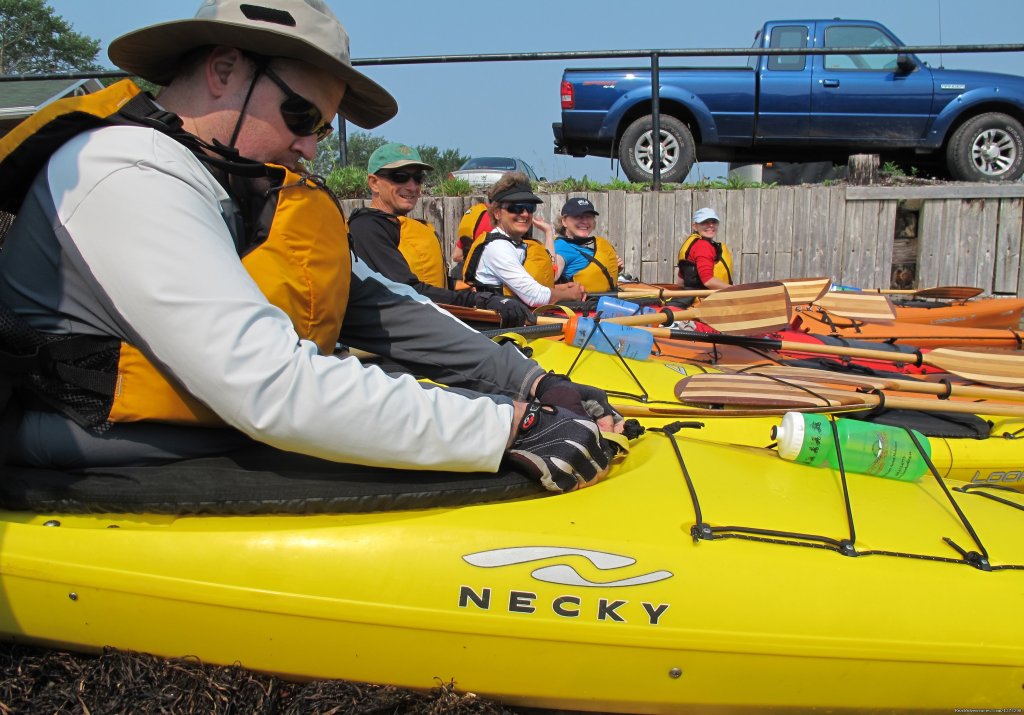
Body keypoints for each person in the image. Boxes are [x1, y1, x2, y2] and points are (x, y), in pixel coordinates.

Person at [0, 0, 619, 493]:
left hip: (212, 423)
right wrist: (505, 426)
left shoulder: (233, 180)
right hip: (82, 438)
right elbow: (265, 386)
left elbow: (375, 303)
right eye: (301, 118)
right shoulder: (125, 170)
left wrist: (528, 384)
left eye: (321, 128)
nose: (310, 149)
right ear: (223, 71)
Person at [348, 142, 532, 327]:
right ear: (374, 183)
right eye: (400, 177)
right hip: (397, 332)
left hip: (430, 323)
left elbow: (436, 283)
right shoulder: (367, 227)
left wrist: (478, 292)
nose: (412, 186)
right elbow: (407, 289)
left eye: (418, 178)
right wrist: (479, 300)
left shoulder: (407, 226)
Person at [463, 172, 585, 307]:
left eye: (530, 207)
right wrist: (571, 294)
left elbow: (524, 289)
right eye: (516, 208)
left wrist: (561, 289)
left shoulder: (517, 244)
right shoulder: (497, 248)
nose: (525, 214)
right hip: (499, 324)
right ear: (497, 213)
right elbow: (535, 296)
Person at [553, 197, 623, 294]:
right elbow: (551, 279)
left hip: (602, 301)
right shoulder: (561, 247)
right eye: (578, 216)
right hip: (584, 306)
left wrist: (612, 270)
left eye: (589, 216)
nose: (585, 221)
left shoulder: (584, 246)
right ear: (564, 221)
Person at [677, 207, 734, 290]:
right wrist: (735, 290)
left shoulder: (692, 244)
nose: (711, 225)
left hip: (693, 298)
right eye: (704, 222)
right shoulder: (703, 246)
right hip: (706, 299)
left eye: (714, 222)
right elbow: (708, 281)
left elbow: (680, 283)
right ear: (695, 226)